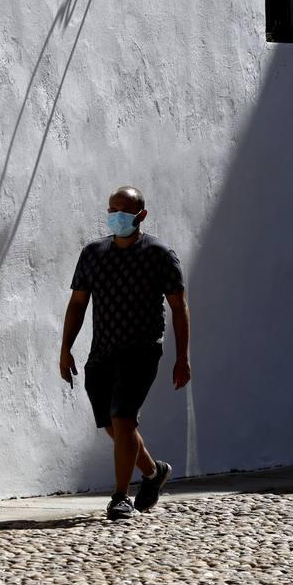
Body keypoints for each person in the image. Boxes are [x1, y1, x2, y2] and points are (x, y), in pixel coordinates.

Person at [58, 185, 192, 520]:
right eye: (112, 209)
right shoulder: (92, 254)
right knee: (113, 425)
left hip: (142, 350)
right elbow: (77, 303)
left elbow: (179, 306)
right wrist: (65, 348)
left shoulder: (159, 254)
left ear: (141, 215)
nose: (116, 216)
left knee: (123, 418)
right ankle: (153, 471)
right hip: (102, 352)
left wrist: (182, 357)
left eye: (124, 210)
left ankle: (120, 496)